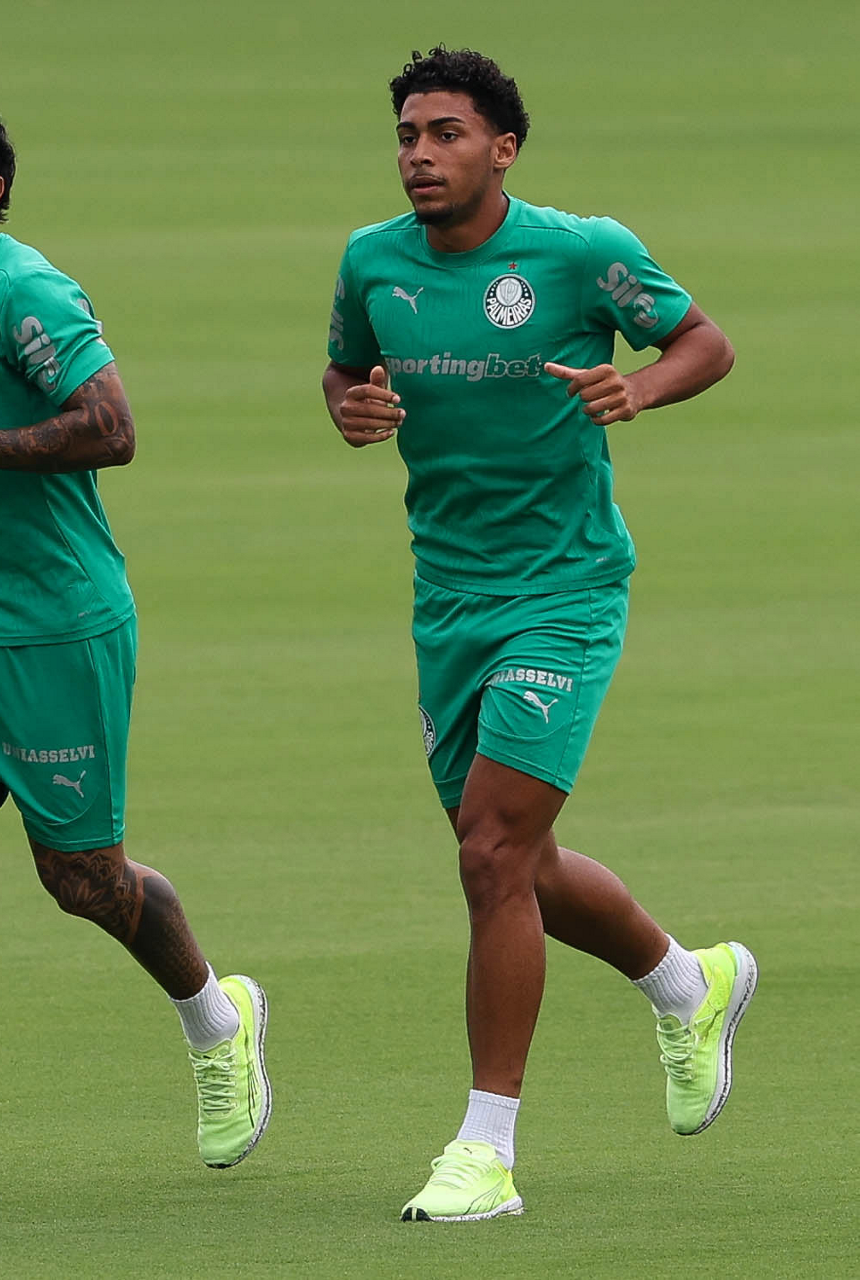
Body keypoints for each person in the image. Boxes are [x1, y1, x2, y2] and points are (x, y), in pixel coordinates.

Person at [322, 48, 754, 1223]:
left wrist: (637, 388)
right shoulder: (370, 260)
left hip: (562, 589)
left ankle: (485, 1147)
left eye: (446, 133)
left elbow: (703, 340)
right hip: (446, 599)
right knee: (515, 859)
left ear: (502, 149)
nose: (419, 154)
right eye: (407, 134)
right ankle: (688, 982)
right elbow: (343, 370)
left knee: (488, 854)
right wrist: (350, 407)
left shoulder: (576, 251)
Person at [0, 95, 270, 1207]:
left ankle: (216, 1017)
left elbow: (113, 427)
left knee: (81, 880)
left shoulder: (27, 291)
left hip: (57, 628)